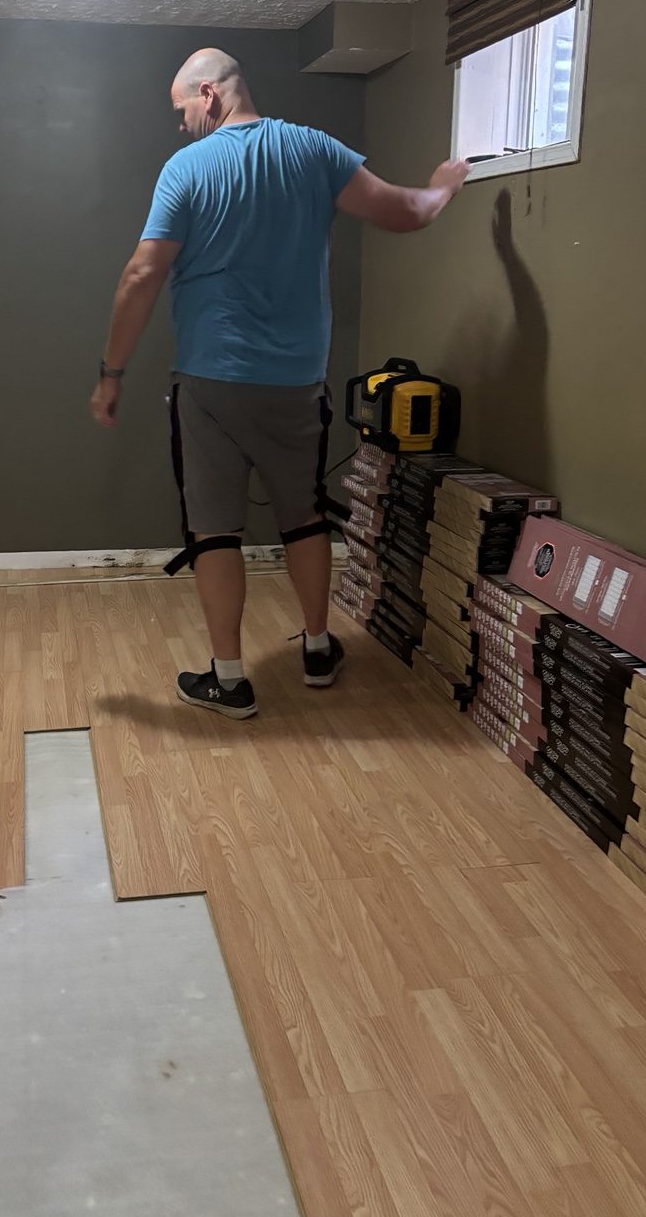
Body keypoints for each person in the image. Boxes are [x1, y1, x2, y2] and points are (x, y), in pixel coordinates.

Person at [90, 48, 469, 719]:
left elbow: (142, 274)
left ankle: (229, 679)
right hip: (297, 382)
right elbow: (408, 211)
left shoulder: (187, 168)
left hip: (211, 383)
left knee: (214, 530)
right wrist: (444, 184)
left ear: (209, 95)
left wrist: (110, 373)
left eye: (181, 108)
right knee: (303, 516)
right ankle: (318, 649)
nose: (180, 124)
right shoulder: (315, 150)